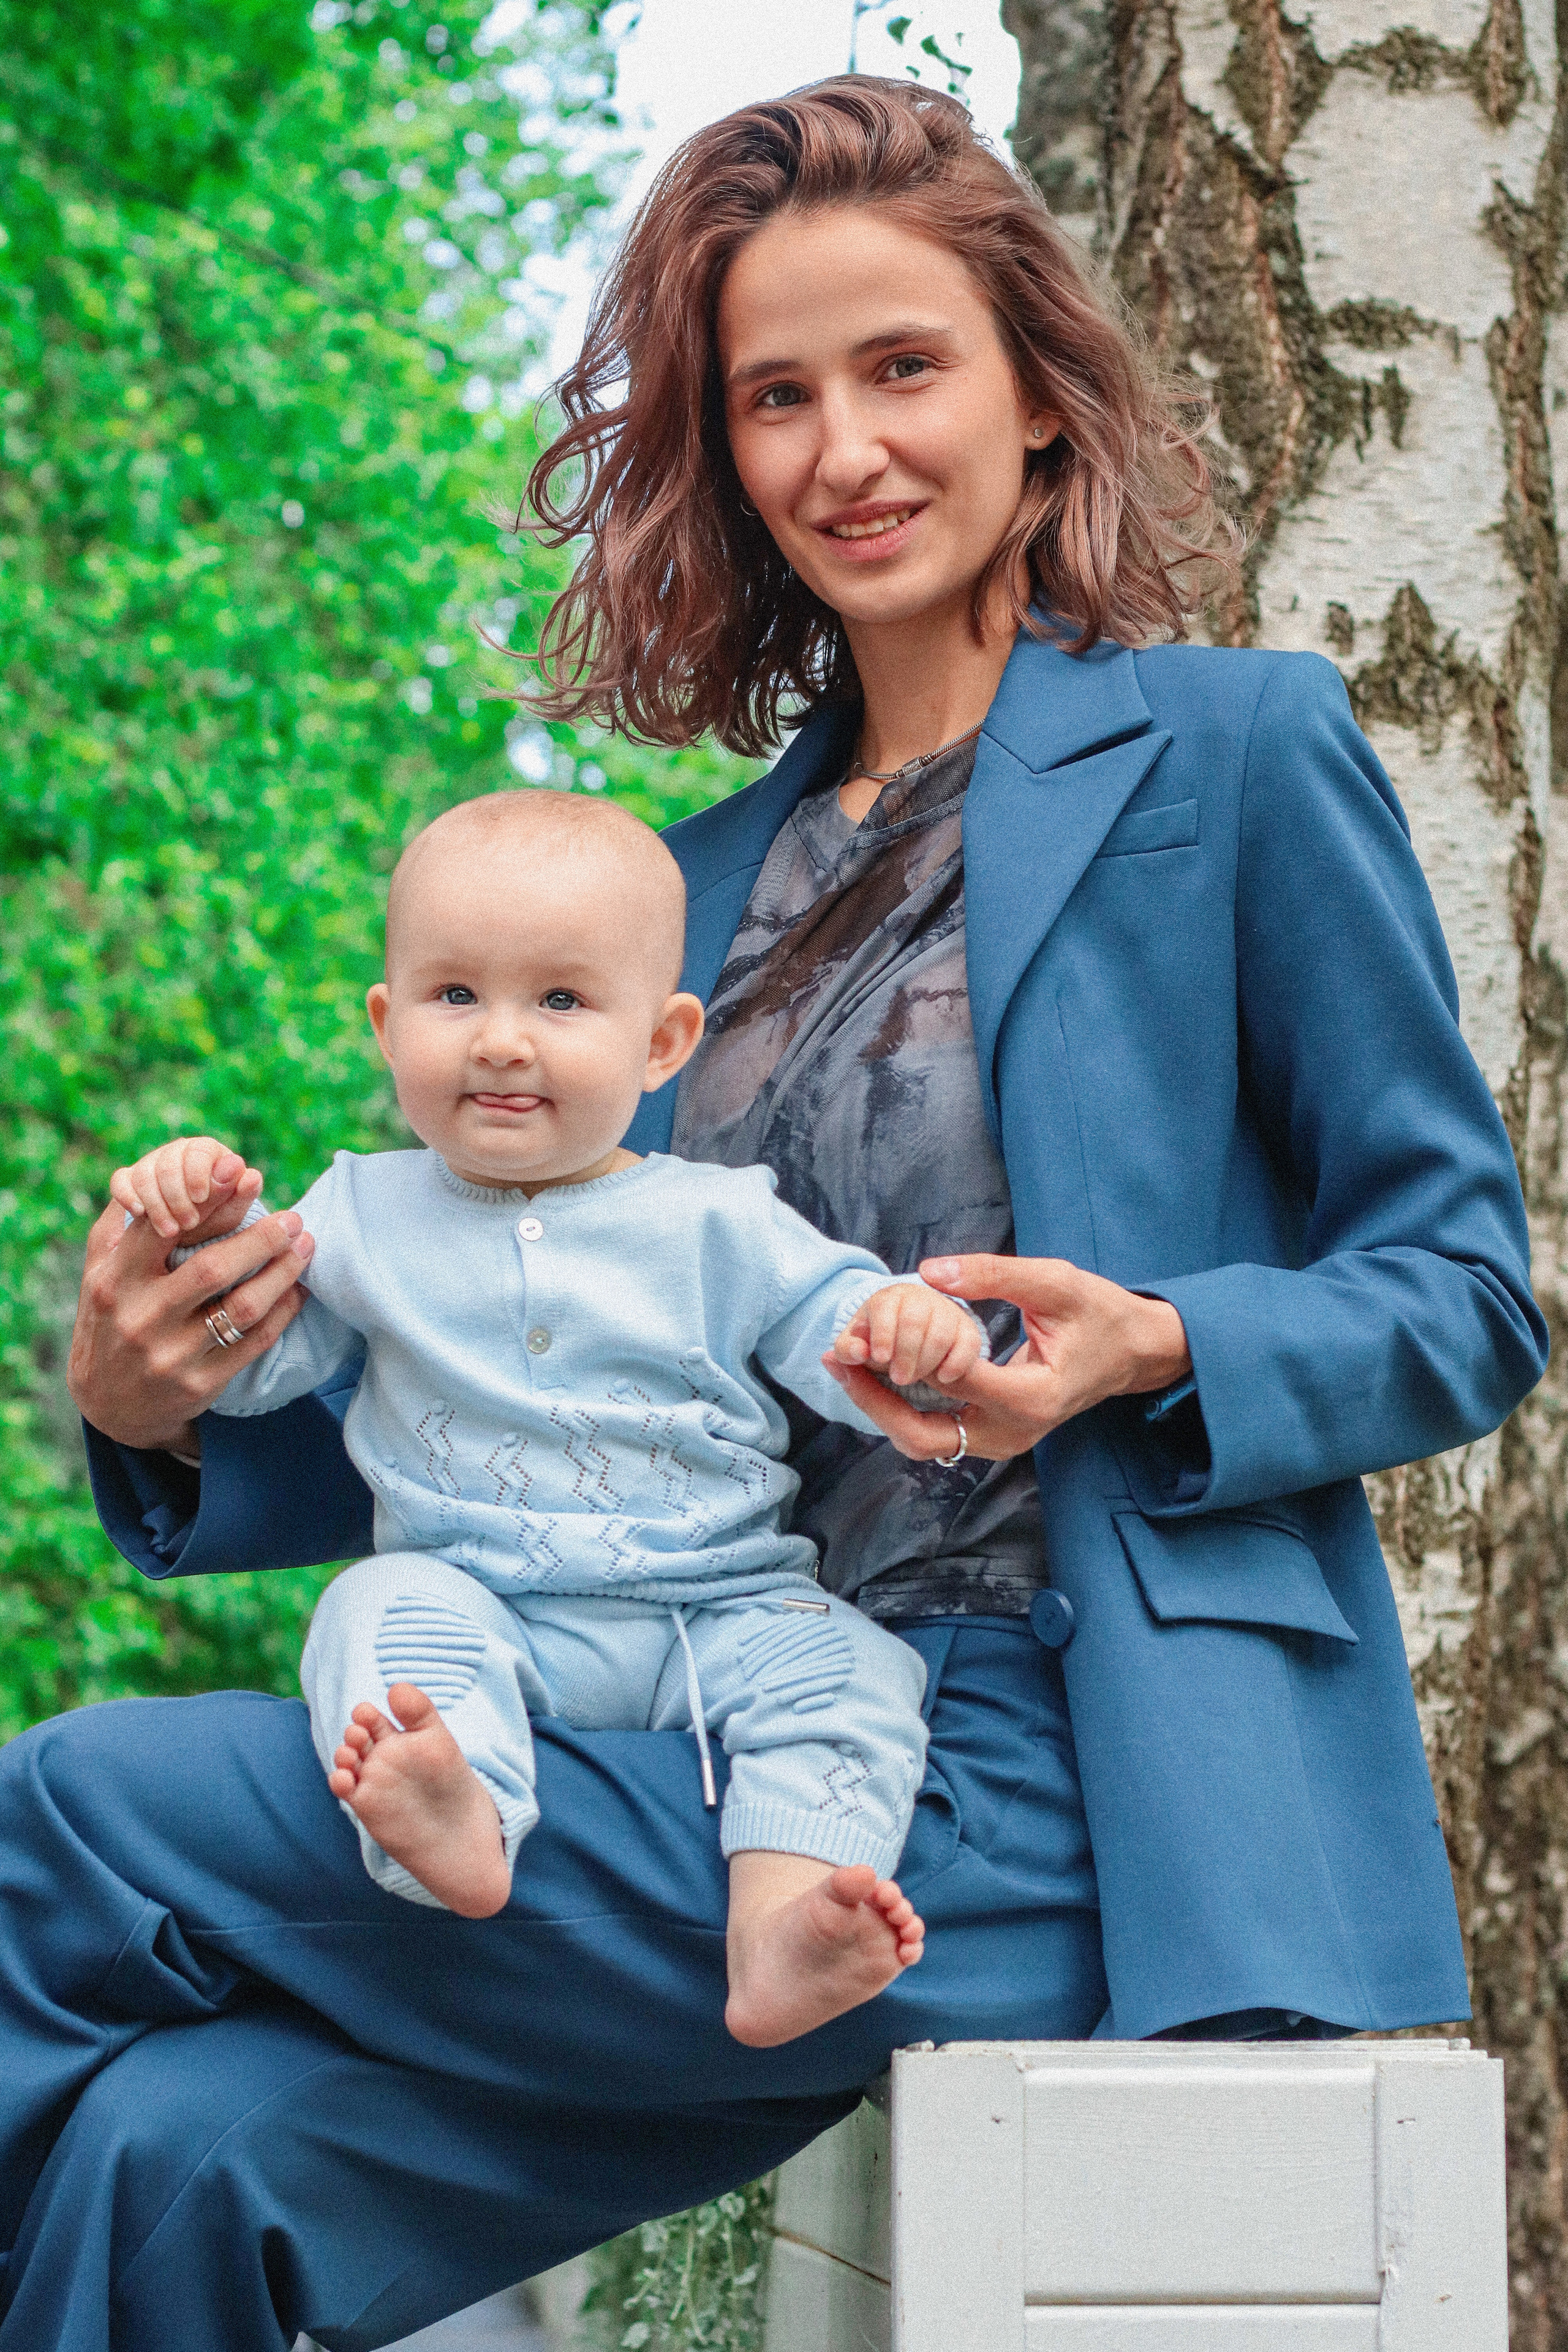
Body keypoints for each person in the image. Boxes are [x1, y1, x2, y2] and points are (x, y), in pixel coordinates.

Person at [4, 74, 1546, 2352]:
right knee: (176, 2161)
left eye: (905, 368)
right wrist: (152, 1410)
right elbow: (539, 1391)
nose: (847, 449)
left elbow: (1466, 1290)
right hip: (696, 1783)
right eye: (776, 399)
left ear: (1037, 391)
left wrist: (1160, 1347)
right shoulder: (686, 902)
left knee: (80, 1805)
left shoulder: (1234, 755)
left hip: (1053, 1798)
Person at [109, 788, 986, 2042]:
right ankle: (454, 1818)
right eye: (454, 996)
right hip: (483, 1606)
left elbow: (836, 1329)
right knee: (371, 1616)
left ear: (664, 1042)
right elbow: (249, 1370)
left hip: (717, 1608)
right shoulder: (358, 1213)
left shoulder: (713, 1217)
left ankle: (782, 1928)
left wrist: (911, 1328)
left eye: (561, 1002)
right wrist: (199, 1235)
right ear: (385, 1021)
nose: (502, 1042)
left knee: (849, 1671)